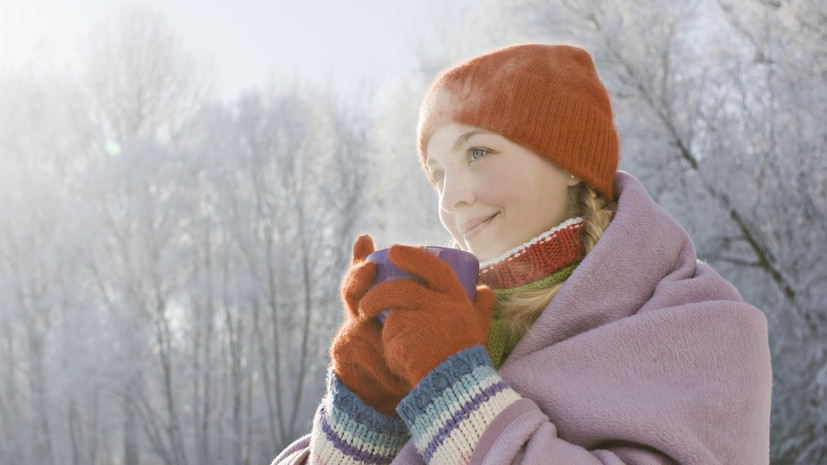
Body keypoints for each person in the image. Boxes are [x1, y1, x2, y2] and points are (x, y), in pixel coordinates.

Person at [272, 43, 772, 465]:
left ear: (568, 162)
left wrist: (457, 396)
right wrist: (361, 416)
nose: (450, 200)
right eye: (438, 173)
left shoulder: (703, 326)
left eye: (478, 153)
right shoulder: (443, 326)